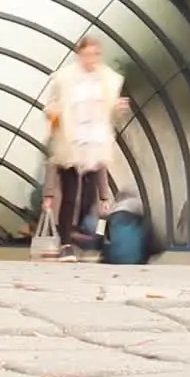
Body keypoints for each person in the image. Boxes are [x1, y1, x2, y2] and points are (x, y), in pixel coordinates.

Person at [41, 35, 128, 263]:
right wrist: (53, 111)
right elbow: (50, 105)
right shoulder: (65, 79)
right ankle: (66, 244)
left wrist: (117, 108)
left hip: (95, 142)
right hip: (70, 139)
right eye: (88, 54)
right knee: (69, 193)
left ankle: (76, 232)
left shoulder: (107, 80)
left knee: (90, 196)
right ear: (80, 55)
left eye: (96, 54)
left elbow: (111, 110)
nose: (93, 59)